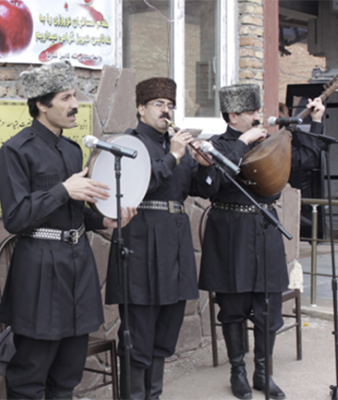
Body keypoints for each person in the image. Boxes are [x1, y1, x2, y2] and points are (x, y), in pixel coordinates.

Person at [0, 61, 136, 400]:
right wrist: (63, 190)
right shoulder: (15, 151)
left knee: (68, 374)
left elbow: (73, 212)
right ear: (41, 105)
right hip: (38, 270)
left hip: (78, 265)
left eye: (75, 96)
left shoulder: (73, 150)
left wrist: (103, 221)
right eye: (65, 98)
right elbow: (15, 218)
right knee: (29, 374)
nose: (75, 104)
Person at [199, 84, 325, 400]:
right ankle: (237, 372)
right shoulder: (215, 145)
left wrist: (315, 122)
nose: (258, 116)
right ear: (233, 116)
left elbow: (305, 159)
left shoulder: (267, 142)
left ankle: (263, 373)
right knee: (233, 308)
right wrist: (242, 143)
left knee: (269, 308)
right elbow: (213, 184)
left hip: (265, 228)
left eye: (257, 110)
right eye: (251, 112)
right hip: (229, 232)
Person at [104, 77, 217, 400]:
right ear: (141, 109)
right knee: (138, 332)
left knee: (166, 331)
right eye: (158, 104)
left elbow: (201, 189)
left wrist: (204, 166)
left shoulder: (175, 146)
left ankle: (152, 395)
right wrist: (175, 156)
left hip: (175, 242)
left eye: (170, 105)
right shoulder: (128, 144)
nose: (166, 111)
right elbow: (140, 183)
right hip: (140, 239)